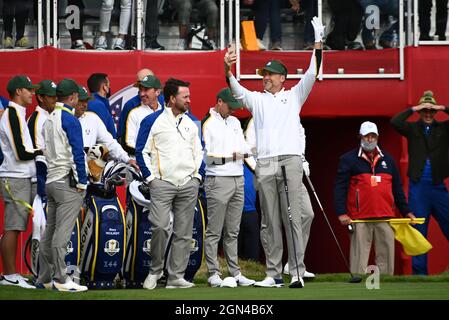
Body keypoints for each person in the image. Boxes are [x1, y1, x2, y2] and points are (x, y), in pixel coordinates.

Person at [224, 16, 324, 288]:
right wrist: (228, 69)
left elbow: (313, 72)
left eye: (270, 75)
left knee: (293, 215)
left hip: (290, 158)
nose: (265, 78)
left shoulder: (294, 95)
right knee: (269, 219)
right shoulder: (257, 100)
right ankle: (273, 273)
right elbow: (237, 90)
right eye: (264, 75)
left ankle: (298, 271)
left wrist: (318, 43)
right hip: (266, 161)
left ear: (282, 78)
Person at [135, 78, 203, 289]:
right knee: (161, 228)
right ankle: (155, 271)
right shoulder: (152, 121)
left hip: (188, 184)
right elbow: (141, 151)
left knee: (184, 232)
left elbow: (199, 152)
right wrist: (150, 179)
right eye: (185, 97)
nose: (189, 100)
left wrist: (197, 176)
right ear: (172, 99)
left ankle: (176, 277)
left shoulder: (191, 123)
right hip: (161, 184)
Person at [334, 121, 415, 275]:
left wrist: (406, 211)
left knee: (386, 259)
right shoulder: (348, 159)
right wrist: (341, 212)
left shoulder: (388, 160)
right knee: (359, 261)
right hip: (359, 218)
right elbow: (340, 188)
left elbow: (397, 189)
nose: (370, 139)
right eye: (366, 136)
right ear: (360, 137)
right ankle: (358, 292)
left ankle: (386, 291)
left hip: (385, 217)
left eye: (373, 136)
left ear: (377, 137)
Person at [35, 78, 88, 292]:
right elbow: (77, 154)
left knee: (50, 233)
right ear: (73, 97)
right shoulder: (70, 118)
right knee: (61, 235)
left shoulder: (48, 119)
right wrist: (83, 182)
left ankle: (44, 278)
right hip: (66, 182)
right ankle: (60, 279)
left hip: (51, 180)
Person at [201, 88, 255, 287]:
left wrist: (252, 151)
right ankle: (214, 273)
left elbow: (243, 147)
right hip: (218, 181)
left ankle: (236, 272)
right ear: (219, 102)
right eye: (229, 107)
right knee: (215, 230)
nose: (231, 111)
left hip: (238, 178)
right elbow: (208, 159)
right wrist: (230, 157)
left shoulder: (233, 122)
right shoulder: (208, 123)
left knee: (233, 230)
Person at [390, 91, 449, 275]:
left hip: (438, 186)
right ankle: (420, 276)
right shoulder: (412, 128)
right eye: (425, 111)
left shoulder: (443, 128)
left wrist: (443, 108)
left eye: (431, 111)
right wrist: (415, 109)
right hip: (418, 188)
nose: (428, 115)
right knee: (418, 232)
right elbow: (395, 122)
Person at [0, 75, 40, 289]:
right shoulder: (12, 114)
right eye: (28, 90)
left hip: (21, 176)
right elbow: (21, 153)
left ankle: (11, 273)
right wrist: (43, 152)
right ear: (18, 92)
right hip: (14, 176)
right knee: (13, 227)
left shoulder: (17, 113)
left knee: (15, 226)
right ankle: (9, 274)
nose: (32, 93)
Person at [75, 85, 137, 169]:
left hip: (86, 174)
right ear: (72, 99)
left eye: (86, 101)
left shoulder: (92, 118)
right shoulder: (62, 119)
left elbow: (109, 142)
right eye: (81, 101)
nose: (84, 105)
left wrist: (127, 159)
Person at [117, 68, 164, 142]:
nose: (142, 93)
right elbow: (121, 136)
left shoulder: (166, 103)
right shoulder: (130, 105)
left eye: (147, 87)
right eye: (140, 87)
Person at [122, 74, 162, 155]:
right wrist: (147, 155)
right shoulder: (134, 113)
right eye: (140, 90)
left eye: (146, 90)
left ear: (157, 92)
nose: (142, 94)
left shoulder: (166, 112)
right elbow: (128, 143)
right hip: (140, 163)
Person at [27, 80, 57, 150]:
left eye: (56, 96)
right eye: (51, 96)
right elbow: (38, 152)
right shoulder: (36, 120)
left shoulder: (54, 115)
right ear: (40, 98)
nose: (56, 99)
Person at [86, 73, 117, 138]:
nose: (109, 87)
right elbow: (104, 134)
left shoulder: (94, 102)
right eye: (108, 84)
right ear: (104, 87)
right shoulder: (97, 105)